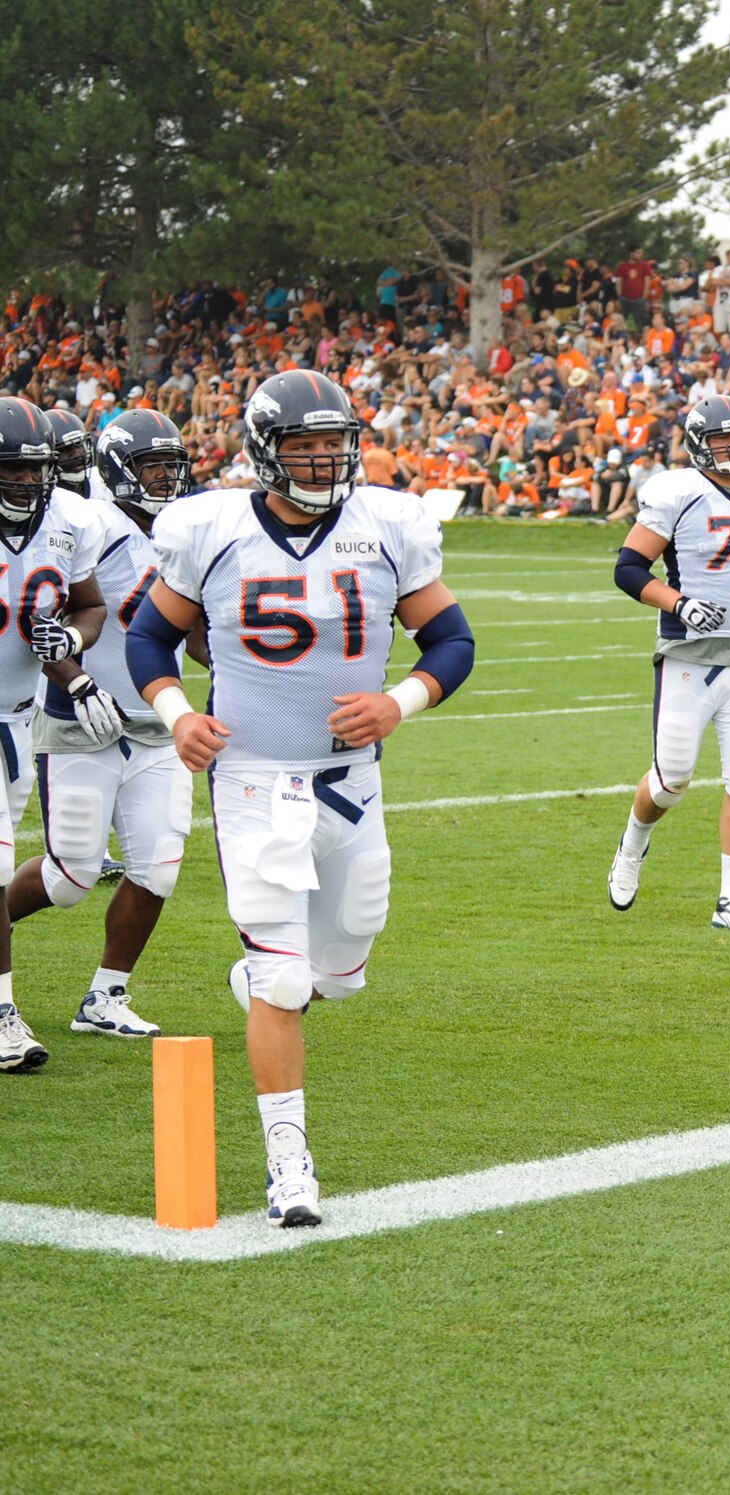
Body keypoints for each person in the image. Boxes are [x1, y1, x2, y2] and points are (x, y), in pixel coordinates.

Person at [125, 369, 477, 1227]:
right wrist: (176, 713)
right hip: (252, 779)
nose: (324, 463)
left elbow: (452, 639)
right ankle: (289, 1165)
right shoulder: (208, 528)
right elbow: (148, 635)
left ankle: (269, 977)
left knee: (342, 972)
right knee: (285, 984)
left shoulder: (389, 523)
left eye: (335, 445)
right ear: (265, 450)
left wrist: (402, 699)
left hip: (352, 783)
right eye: (305, 447)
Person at [6, 411, 203, 1042]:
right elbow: (43, 617)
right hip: (83, 717)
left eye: (174, 466)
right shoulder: (90, 522)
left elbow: (197, 629)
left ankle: (105, 995)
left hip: (157, 720)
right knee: (70, 878)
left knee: (159, 867)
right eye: (153, 467)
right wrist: (73, 675)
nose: (167, 479)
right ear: (119, 469)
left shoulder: (190, 532)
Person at [606, 393, 730, 930]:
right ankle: (633, 845)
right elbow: (628, 568)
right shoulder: (679, 493)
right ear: (700, 444)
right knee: (671, 783)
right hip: (688, 658)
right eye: (722, 439)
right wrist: (679, 603)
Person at [0, 399, 116, 1074]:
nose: (24, 483)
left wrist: (70, 649)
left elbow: (88, 605)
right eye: (10, 471)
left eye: (35, 470)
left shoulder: (71, 519)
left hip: (16, 718)